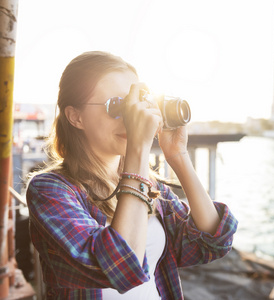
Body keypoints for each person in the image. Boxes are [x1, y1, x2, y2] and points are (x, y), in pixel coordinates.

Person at [26, 51, 238, 299]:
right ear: (76, 117)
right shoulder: (50, 190)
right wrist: (138, 148)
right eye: (117, 106)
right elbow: (121, 268)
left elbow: (211, 242)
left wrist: (178, 156)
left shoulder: (149, 186)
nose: (131, 117)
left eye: (134, 104)